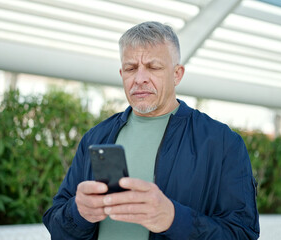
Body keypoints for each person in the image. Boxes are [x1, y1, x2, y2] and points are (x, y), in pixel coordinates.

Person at [43, 21, 260, 240]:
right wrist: (78, 213)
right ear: (122, 73)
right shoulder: (96, 137)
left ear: (177, 74)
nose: (139, 79)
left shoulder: (222, 143)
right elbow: (56, 226)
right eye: (130, 68)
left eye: (154, 67)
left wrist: (174, 219)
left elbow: (242, 233)